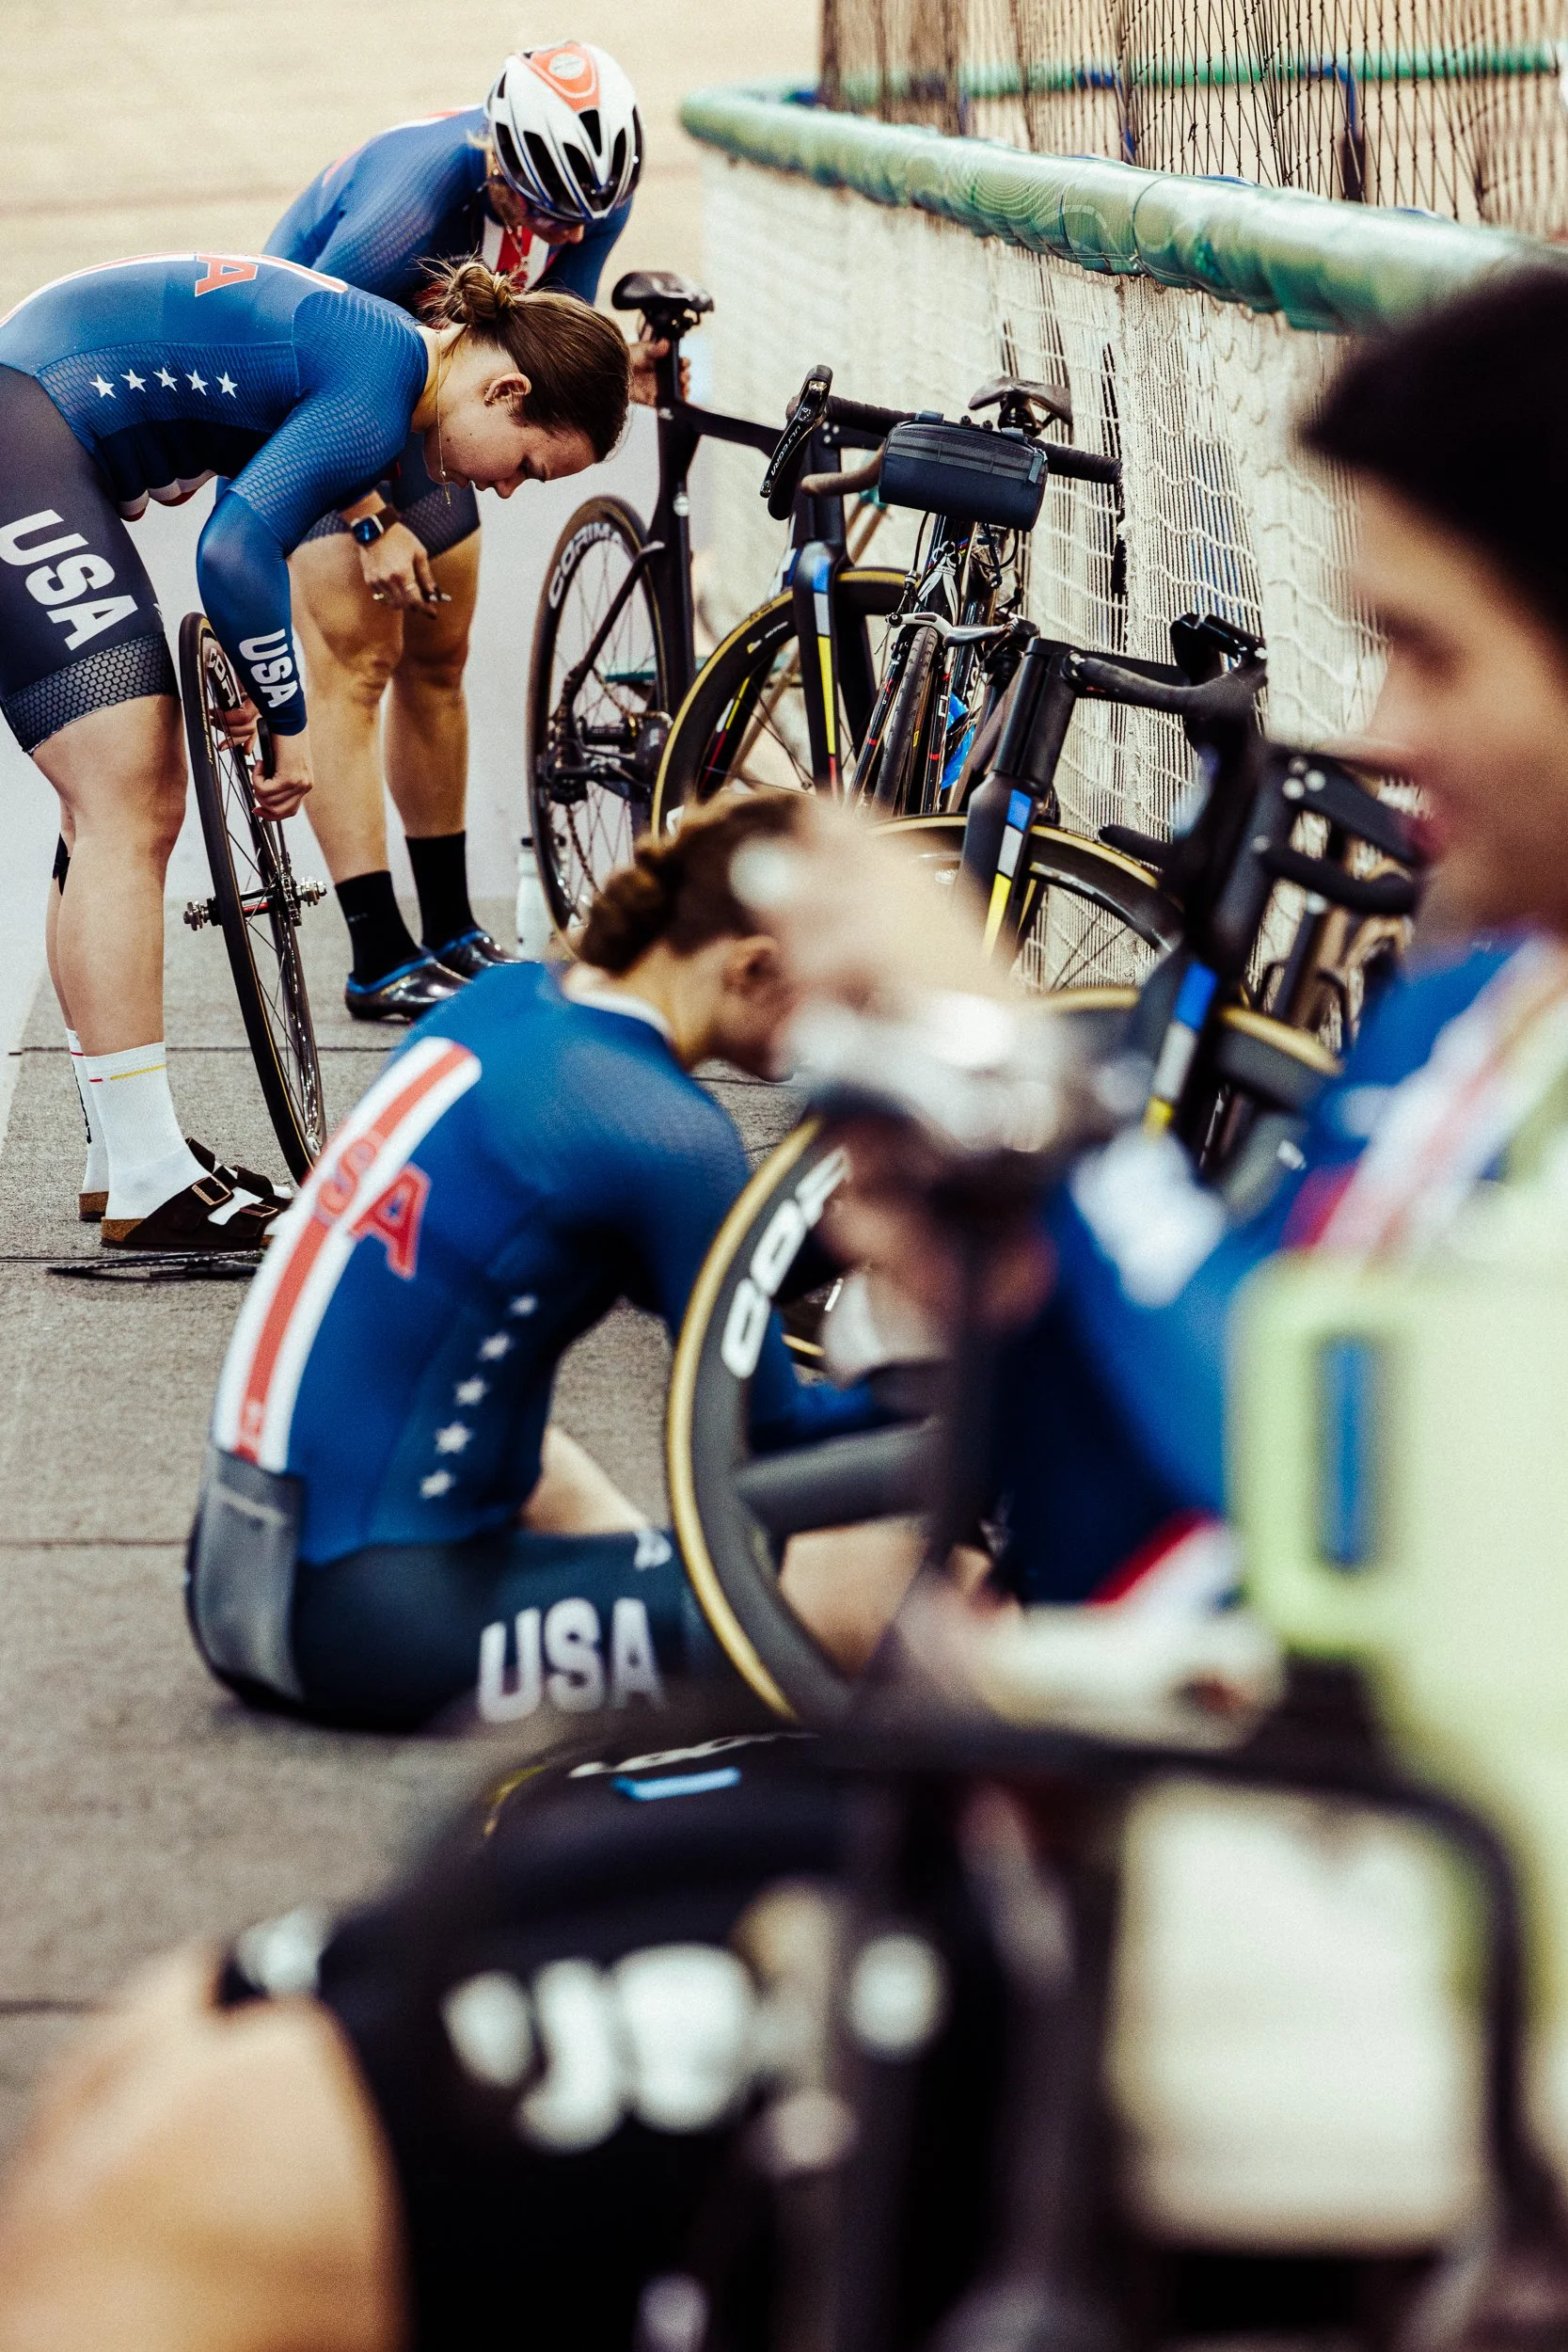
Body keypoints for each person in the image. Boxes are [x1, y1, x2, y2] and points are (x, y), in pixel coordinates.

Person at [19, 263, 1568, 2352]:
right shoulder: (1476, 1007)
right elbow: (1185, 1491)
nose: (1365, 724)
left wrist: (1007, 1107)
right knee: (186, 2041)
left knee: (217, 2152)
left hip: (1343, 1941)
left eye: (1422, 646)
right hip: (1167, 1814)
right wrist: (1004, 1253)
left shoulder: (529, 1027)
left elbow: (1285, 1510)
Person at [188, 792, 893, 1731]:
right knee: (877, 1590)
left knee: (534, 1451)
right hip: (366, 1619)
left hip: (243, 1564)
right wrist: (957, 1388)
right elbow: (776, 1444)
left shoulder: (511, 1000)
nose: (841, 1024)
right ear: (752, 966)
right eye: (836, 992)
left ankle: (659, 1614)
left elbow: (697, 1269)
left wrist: (857, 1228)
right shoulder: (668, 1134)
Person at [0, 249, 628, 1250]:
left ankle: (126, 1150)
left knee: (106, 806)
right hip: (26, 423)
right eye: (524, 465)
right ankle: (149, 1173)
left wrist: (258, 680)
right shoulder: (381, 394)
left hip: (35, 420)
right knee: (133, 793)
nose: (506, 492)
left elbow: (236, 532)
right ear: (506, 389)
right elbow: (232, 553)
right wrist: (290, 727)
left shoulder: (385, 363)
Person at [266, 43, 659, 1020]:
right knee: (357, 660)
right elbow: (294, 356)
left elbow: (553, 327)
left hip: (445, 408)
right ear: (497, 161)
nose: (562, 231)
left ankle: (446, 926)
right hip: (313, 402)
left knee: (438, 654)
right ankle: (375, 951)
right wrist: (364, 519)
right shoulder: (411, 199)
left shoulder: (592, 194)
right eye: (538, 212)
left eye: (583, 216)